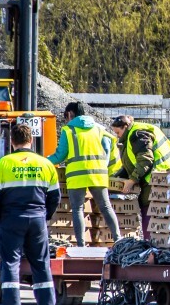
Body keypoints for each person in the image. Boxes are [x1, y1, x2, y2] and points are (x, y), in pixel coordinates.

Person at [0, 122, 61, 305]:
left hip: (10, 219)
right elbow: (55, 197)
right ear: (31, 140)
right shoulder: (46, 164)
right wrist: (44, 216)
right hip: (37, 218)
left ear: (12, 142)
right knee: (41, 263)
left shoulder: (2, 164)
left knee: (11, 262)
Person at [46, 101, 121, 247]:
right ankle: (118, 240)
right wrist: (109, 171)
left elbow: (60, 156)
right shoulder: (99, 129)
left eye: (65, 116)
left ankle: (81, 245)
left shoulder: (68, 130)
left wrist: (42, 160)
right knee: (106, 207)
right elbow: (110, 150)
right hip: (98, 174)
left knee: (77, 209)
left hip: (77, 176)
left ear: (69, 114)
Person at [109, 115, 170, 239]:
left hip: (161, 176)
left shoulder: (137, 135)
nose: (117, 136)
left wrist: (132, 180)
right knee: (149, 209)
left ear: (125, 127)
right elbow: (132, 163)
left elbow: (145, 160)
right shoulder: (131, 135)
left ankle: (151, 244)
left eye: (118, 132)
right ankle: (152, 243)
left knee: (149, 210)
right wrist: (116, 179)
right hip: (158, 175)